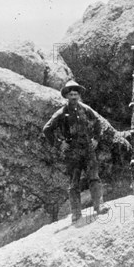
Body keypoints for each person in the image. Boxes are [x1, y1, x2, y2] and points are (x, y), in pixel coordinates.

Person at [42, 80, 108, 222]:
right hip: (73, 152)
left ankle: (99, 206)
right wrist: (59, 144)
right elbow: (47, 129)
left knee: (94, 177)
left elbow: (98, 122)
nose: (73, 97)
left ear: (79, 95)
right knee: (74, 183)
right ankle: (76, 213)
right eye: (71, 94)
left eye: (76, 94)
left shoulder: (85, 109)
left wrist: (96, 138)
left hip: (88, 149)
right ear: (66, 96)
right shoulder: (61, 113)